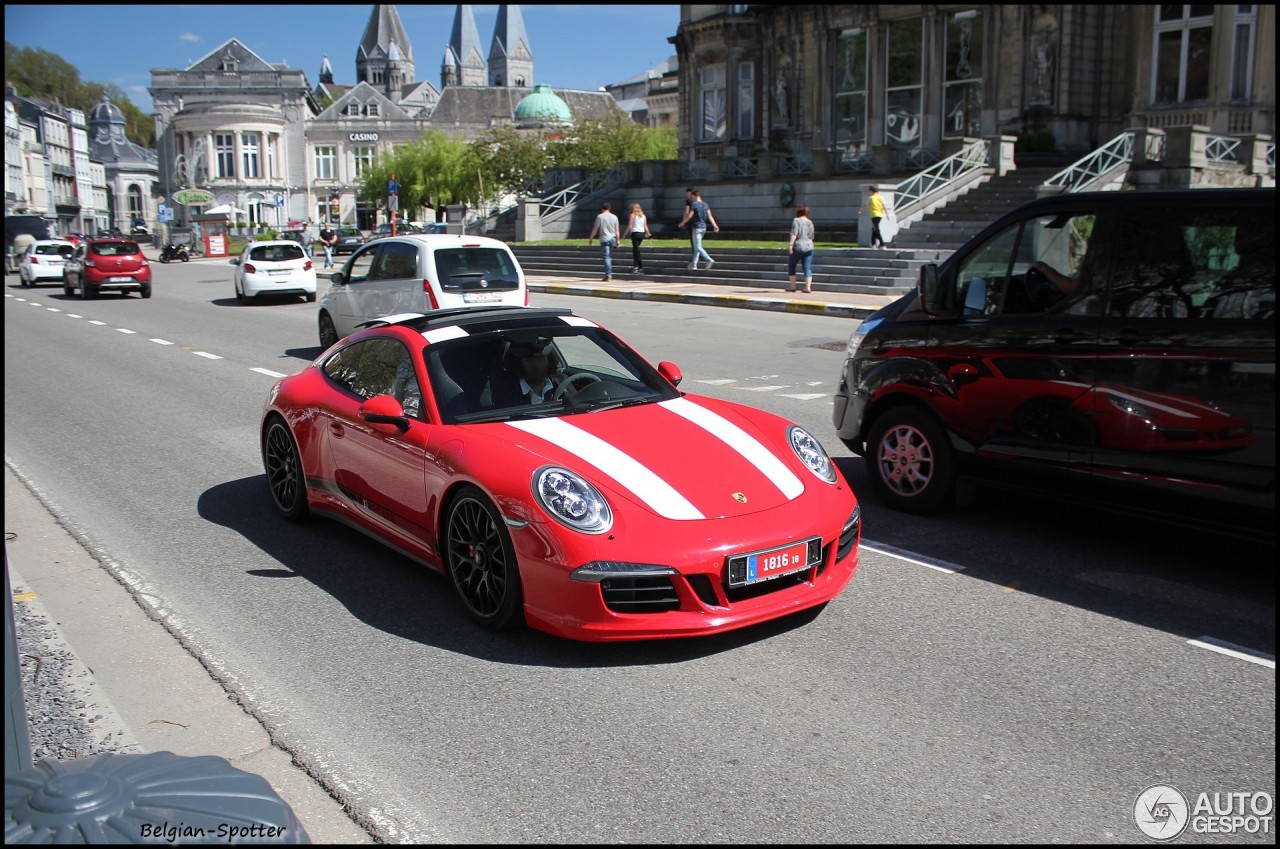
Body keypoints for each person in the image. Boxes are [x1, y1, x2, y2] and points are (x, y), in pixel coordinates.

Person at [491, 338, 561, 406]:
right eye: (529, 359)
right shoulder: (506, 392)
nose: (535, 364)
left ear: (549, 360)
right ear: (518, 362)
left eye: (540, 358)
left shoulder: (560, 385)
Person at [678, 189, 719, 270]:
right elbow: (710, 216)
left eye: (692, 196)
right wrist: (715, 225)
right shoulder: (705, 205)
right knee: (697, 246)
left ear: (695, 196)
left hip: (696, 227)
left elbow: (689, 216)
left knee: (697, 246)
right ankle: (694, 264)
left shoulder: (694, 205)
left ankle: (708, 259)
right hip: (703, 227)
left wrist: (682, 223)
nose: (691, 198)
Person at [587, 201, 620, 282]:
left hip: (604, 238)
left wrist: (591, 238)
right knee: (609, 256)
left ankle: (608, 275)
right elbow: (617, 230)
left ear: (602, 209)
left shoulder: (600, 217)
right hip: (612, 238)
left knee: (606, 257)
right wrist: (618, 240)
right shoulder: (614, 217)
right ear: (609, 208)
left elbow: (595, 228)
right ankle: (609, 274)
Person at [787, 205, 816, 293]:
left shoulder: (796, 220)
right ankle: (807, 287)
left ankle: (792, 286)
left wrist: (790, 245)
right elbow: (811, 235)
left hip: (798, 246)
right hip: (809, 246)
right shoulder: (810, 222)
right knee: (807, 267)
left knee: (792, 266)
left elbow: (794, 233)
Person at [859, 186, 889, 250]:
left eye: (869, 191)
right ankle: (873, 244)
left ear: (872, 191)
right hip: (880, 215)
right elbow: (884, 206)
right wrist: (887, 215)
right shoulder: (881, 197)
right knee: (874, 229)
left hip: (874, 215)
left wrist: (861, 210)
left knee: (876, 230)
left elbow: (865, 205)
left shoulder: (871, 198)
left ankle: (882, 244)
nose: (869, 192)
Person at [625, 203, 652, 274]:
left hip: (635, 233)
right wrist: (648, 233)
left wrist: (624, 235)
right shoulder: (643, 216)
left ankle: (639, 267)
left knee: (636, 251)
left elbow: (629, 226)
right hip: (641, 234)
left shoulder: (632, 215)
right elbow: (645, 225)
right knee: (635, 250)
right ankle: (636, 267)